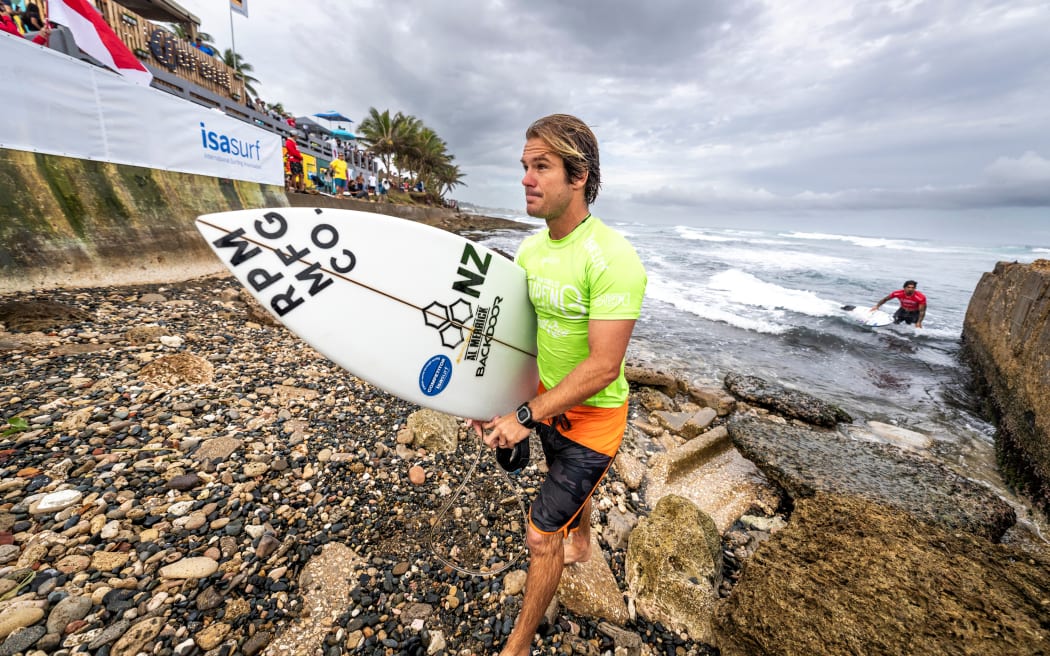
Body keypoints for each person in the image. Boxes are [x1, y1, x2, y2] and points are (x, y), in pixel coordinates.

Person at [470, 114, 647, 656]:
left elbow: (602, 368)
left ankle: (518, 646)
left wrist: (522, 417)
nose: (526, 177)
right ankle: (585, 537)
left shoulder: (614, 258)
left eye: (541, 166)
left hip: (594, 422)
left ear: (579, 176)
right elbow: (514, 339)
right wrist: (490, 401)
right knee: (561, 486)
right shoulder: (527, 254)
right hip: (546, 403)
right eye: (524, 166)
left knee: (539, 536)